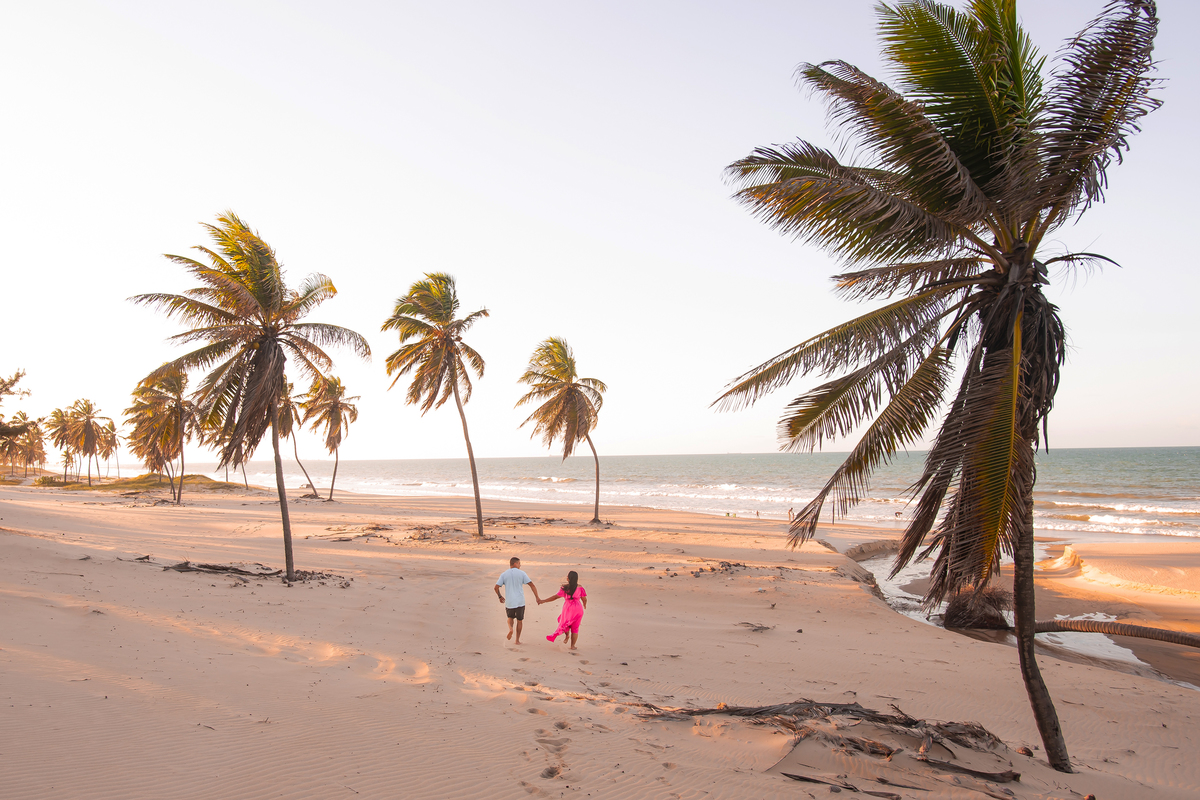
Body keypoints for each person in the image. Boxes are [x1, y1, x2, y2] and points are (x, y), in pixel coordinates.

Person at [494, 557, 540, 644]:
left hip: (510, 602)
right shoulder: (522, 573)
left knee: (510, 617)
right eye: (519, 563)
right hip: (520, 601)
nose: (520, 565)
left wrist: (500, 596)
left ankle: (510, 629)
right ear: (515, 564)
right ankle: (517, 640)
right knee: (519, 620)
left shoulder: (504, 574)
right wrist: (537, 597)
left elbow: (496, 587)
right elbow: (532, 585)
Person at [539, 570, 587, 650]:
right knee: (575, 628)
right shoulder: (580, 588)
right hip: (578, 609)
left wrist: (544, 601)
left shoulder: (565, 588)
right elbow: (584, 599)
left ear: (568, 578)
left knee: (563, 622)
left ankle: (567, 635)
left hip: (568, 608)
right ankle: (573, 646)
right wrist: (584, 605)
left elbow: (555, 597)